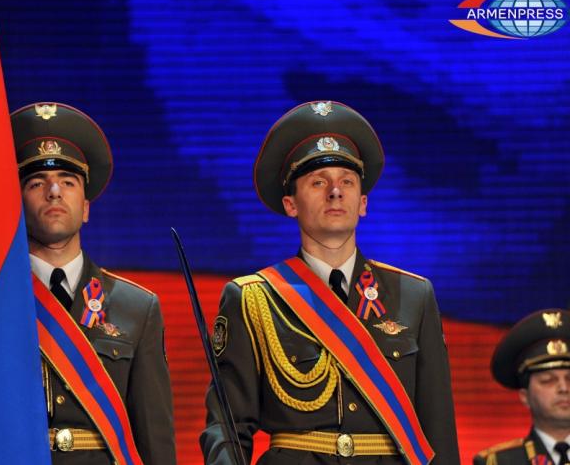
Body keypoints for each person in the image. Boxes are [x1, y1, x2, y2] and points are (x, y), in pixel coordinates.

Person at [200, 101, 460, 464]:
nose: (335, 192)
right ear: (290, 204)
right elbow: (228, 427)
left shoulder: (414, 296)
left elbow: (438, 430)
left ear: (363, 203)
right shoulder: (253, 298)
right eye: (319, 182)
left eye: (347, 182)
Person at [11, 102, 175, 465]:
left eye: (68, 182)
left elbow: (154, 437)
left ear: (85, 208)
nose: (54, 191)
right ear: (17, 205)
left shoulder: (137, 307)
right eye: (37, 183)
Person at [474, 309, 570, 465]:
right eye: (548, 380)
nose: (564, 388)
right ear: (525, 396)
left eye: (569, 379)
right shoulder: (497, 462)